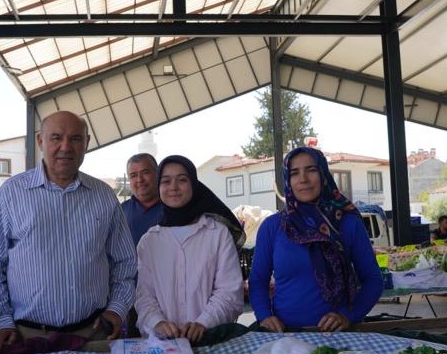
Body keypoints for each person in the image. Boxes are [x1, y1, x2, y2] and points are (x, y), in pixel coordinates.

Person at [0, 111, 137, 354]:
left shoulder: (103, 195)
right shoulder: (12, 194)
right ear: (41, 141)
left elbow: (125, 262)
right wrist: (1, 321)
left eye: (75, 139)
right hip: (27, 338)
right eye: (56, 138)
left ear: (87, 143)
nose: (65, 147)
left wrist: (116, 308)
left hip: (93, 336)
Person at [248, 147, 383, 332]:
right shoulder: (272, 227)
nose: (303, 179)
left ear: (324, 174)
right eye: (295, 173)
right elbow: (257, 280)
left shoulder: (347, 223)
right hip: (285, 337)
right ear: (288, 180)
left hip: (338, 336)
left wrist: (348, 316)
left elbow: (373, 279)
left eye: (311, 170)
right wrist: (264, 316)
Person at [134, 155, 245, 343]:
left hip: (212, 340)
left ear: (193, 184)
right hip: (164, 345)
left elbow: (229, 291)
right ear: (159, 187)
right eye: (166, 181)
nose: (173, 187)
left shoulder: (217, 233)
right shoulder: (149, 241)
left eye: (182, 180)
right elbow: (144, 296)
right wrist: (158, 322)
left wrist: (203, 323)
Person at [121, 153, 163, 245]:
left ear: (158, 173)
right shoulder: (120, 211)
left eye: (145, 172)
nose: (139, 179)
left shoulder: (174, 208)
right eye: (133, 175)